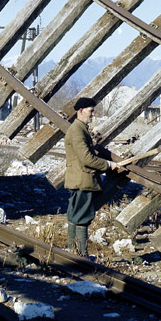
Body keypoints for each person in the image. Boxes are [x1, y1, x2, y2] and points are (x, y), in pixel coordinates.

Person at [64, 96, 126, 257]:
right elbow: (86, 159)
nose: (93, 115)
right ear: (81, 111)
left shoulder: (78, 129)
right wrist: (109, 165)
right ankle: (81, 255)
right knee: (82, 217)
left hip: (79, 179)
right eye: (91, 111)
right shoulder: (77, 131)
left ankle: (72, 251)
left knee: (74, 216)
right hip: (83, 180)